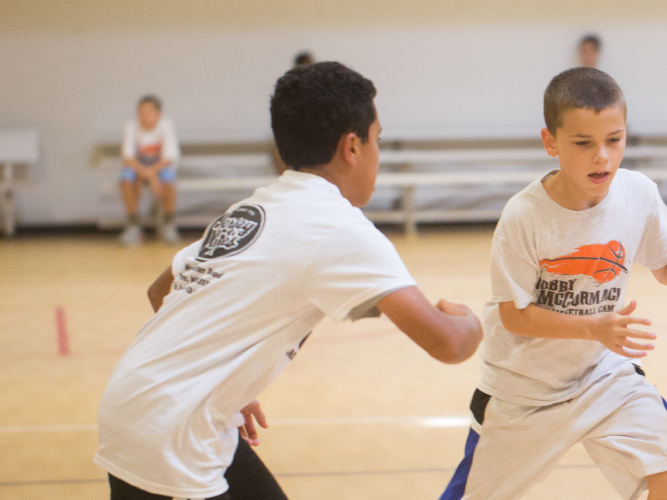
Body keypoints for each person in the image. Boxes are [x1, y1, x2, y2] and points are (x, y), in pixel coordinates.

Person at [95, 62, 484, 500]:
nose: (378, 153)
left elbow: (160, 290)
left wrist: (226, 380)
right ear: (352, 146)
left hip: (136, 406)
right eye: (377, 140)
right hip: (170, 438)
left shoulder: (253, 208)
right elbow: (448, 343)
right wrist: (470, 319)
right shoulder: (339, 227)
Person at [437, 67, 667, 500]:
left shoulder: (637, 193)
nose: (602, 156)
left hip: (603, 375)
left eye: (614, 140)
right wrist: (593, 327)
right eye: (583, 143)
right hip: (523, 393)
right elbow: (514, 316)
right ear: (551, 143)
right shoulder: (523, 216)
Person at [119, 95, 181, 247]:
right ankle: (133, 225)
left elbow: (168, 158)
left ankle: (168, 224)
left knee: (169, 179)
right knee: (126, 179)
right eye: (140, 112)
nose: (143, 116)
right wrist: (149, 175)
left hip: (159, 166)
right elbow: (127, 158)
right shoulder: (131, 126)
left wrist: (151, 173)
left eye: (148, 112)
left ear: (158, 114)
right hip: (139, 167)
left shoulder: (166, 126)